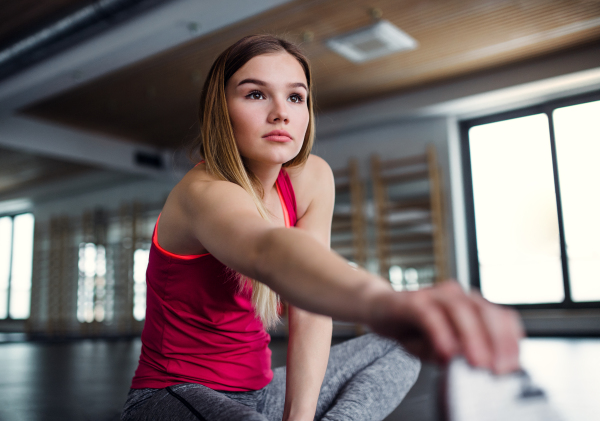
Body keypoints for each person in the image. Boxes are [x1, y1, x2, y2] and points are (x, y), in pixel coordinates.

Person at [120, 35, 523, 421]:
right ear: (220, 110)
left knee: (399, 343)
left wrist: (300, 416)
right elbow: (269, 251)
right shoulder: (203, 193)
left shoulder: (311, 178)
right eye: (255, 94)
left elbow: (309, 309)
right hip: (175, 395)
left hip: (261, 394)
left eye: (295, 96)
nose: (281, 112)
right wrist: (380, 302)